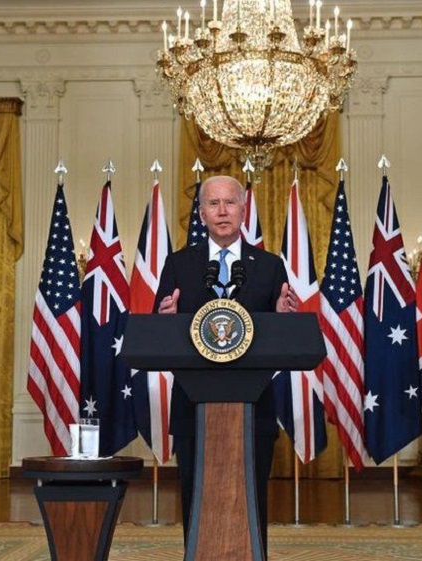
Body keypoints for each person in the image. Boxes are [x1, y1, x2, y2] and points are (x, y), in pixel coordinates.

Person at [153, 175, 298, 551]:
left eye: (230, 203)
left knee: (252, 497)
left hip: (254, 408)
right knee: (195, 496)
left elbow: (281, 340)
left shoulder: (269, 266)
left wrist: (282, 318)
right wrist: (166, 321)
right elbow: (160, 332)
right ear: (201, 213)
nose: (222, 211)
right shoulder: (179, 264)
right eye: (213, 203)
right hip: (193, 406)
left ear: (243, 211)